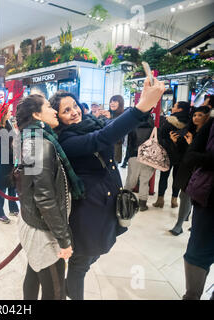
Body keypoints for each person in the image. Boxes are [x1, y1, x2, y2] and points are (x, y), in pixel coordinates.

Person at [50, 77, 165, 300]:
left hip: (106, 203)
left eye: (74, 105)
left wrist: (141, 106)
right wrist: (142, 105)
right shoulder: (66, 140)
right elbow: (102, 139)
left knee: (96, 251)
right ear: (58, 118)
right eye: (66, 110)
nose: (74, 112)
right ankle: (72, 292)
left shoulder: (92, 123)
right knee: (81, 261)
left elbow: (110, 129)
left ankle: (69, 287)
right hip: (87, 211)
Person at [15, 94, 82, 300]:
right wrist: (63, 239)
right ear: (36, 114)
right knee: (56, 292)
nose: (54, 110)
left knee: (34, 273)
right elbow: (44, 197)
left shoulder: (30, 138)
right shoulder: (40, 144)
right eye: (48, 107)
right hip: (43, 229)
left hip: (34, 221)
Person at [178, 111, 214, 300]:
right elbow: (190, 156)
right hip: (207, 199)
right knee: (198, 252)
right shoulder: (211, 124)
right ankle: (191, 296)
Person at [170, 106, 211, 236]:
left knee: (191, 197)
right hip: (186, 169)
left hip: (200, 171)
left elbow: (206, 155)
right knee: (184, 196)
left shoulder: (208, 134)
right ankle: (180, 224)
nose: (196, 118)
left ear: (207, 116)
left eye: (200, 115)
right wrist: (176, 142)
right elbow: (183, 154)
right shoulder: (189, 130)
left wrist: (191, 144)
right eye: (194, 115)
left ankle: (183, 224)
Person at [152, 101, 191, 209]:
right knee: (177, 178)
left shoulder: (169, 121)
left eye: (174, 106)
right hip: (182, 155)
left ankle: (160, 200)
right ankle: (174, 201)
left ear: (180, 109)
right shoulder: (190, 122)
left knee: (164, 177)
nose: (172, 108)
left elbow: (161, 137)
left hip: (168, 154)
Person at [0, 108, 19, 223]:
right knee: (1, 188)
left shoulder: (8, 124)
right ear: (2, 115)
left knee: (12, 185)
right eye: (8, 112)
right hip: (1, 161)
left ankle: (13, 208)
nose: (11, 113)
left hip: (10, 160)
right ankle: (0, 212)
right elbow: (2, 147)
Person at [123, 113, 155, 211]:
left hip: (134, 156)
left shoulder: (133, 128)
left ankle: (125, 201)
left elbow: (129, 144)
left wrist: (126, 158)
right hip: (148, 158)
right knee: (144, 182)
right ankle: (142, 204)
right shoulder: (154, 129)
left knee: (130, 180)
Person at [109, 95, 126, 163]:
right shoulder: (107, 114)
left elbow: (119, 137)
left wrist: (109, 119)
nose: (112, 103)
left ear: (120, 103)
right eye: (111, 101)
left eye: (115, 101)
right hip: (103, 150)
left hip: (115, 151)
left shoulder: (123, 116)